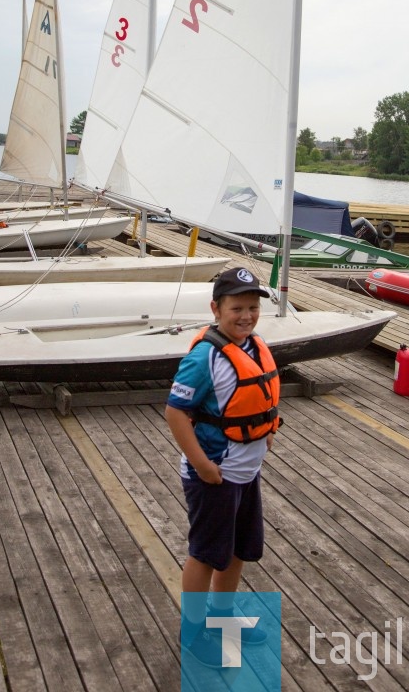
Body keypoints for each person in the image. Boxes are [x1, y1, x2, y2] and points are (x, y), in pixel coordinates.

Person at [165, 267, 279, 667]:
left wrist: (267, 429)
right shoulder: (205, 356)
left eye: (252, 307)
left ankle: (222, 615)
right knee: (206, 553)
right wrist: (202, 465)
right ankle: (193, 632)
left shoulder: (253, 345)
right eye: (237, 308)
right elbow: (175, 413)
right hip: (215, 473)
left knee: (237, 551)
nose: (246, 316)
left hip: (246, 472)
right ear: (216, 308)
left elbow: (255, 397)